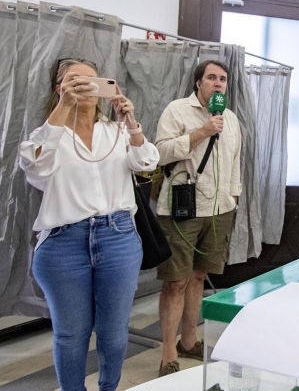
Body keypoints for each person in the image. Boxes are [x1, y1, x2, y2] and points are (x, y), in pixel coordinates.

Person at [19, 58, 159, 391]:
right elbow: (35, 166)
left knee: (113, 331)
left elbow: (147, 163)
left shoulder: (115, 132)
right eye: (73, 81)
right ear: (59, 88)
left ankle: (108, 387)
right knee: (70, 334)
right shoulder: (48, 135)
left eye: (91, 82)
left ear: (103, 89)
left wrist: (131, 122)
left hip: (118, 237)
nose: (83, 87)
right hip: (63, 243)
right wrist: (64, 107)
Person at [154, 60, 242, 377]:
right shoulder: (177, 111)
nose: (218, 83)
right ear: (198, 83)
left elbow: (235, 162)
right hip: (182, 207)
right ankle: (167, 353)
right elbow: (160, 152)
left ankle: (189, 341)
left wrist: (233, 198)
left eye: (223, 79)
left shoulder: (230, 119)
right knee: (176, 281)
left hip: (219, 211)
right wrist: (203, 131)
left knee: (198, 278)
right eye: (211, 78)